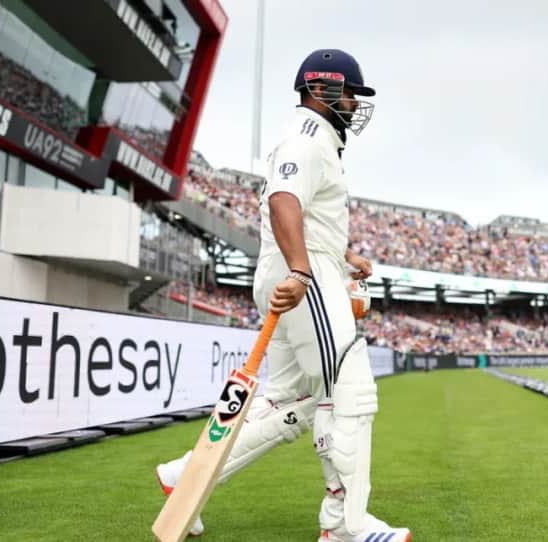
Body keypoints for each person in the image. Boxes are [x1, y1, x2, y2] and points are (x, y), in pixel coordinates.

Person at [155, 49, 410, 542]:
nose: (355, 104)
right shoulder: (307, 139)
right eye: (350, 93)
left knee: (290, 403)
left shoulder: (315, 141)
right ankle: (344, 526)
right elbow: (283, 201)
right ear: (322, 88)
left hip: (303, 269)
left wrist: (344, 256)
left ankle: (185, 477)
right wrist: (302, 270)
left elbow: (308, 215)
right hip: (305, 278)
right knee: (348, 391)